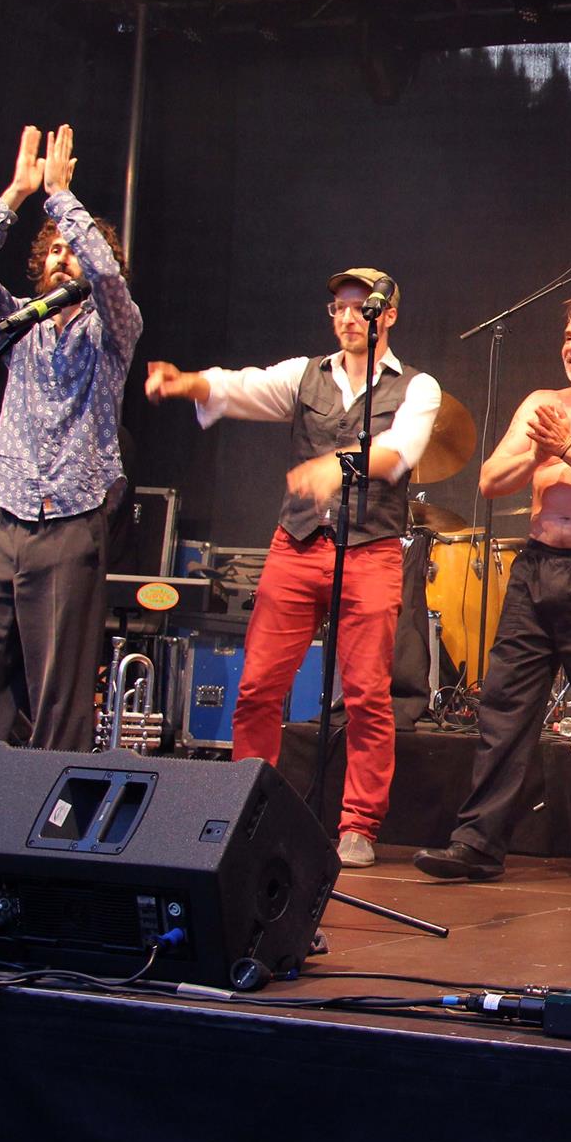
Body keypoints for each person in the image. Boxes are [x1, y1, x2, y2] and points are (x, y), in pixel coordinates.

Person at [143, 268, 442, 869]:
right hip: (298, 544)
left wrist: (338, 464)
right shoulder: (306, 374)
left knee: (367, 696)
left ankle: (358, 824)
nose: (348, 317)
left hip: (370, 549)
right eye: (339, 307)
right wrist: (188, 383)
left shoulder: (418, 386)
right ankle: (249, 806)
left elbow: (399, 452)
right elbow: (242, 386)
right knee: (258, 686)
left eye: (361, 307)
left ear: (387, 314)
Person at [0, 125, 142, 852]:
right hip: (6, 514)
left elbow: (109, 278)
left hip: (71, 519)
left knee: (58, 684)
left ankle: (52, 819)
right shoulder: (20, 329)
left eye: (73, 247)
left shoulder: (113, 331)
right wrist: (16, 195)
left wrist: (62, 198)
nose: (64, 255)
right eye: (55, 249)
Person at [412, 297, 571, 884]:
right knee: (504, 705)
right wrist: (539, 449)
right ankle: (477, 843)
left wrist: (570, 448)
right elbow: (490, 480)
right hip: (536, 568)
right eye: (569, 335)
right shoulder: (541, 405)